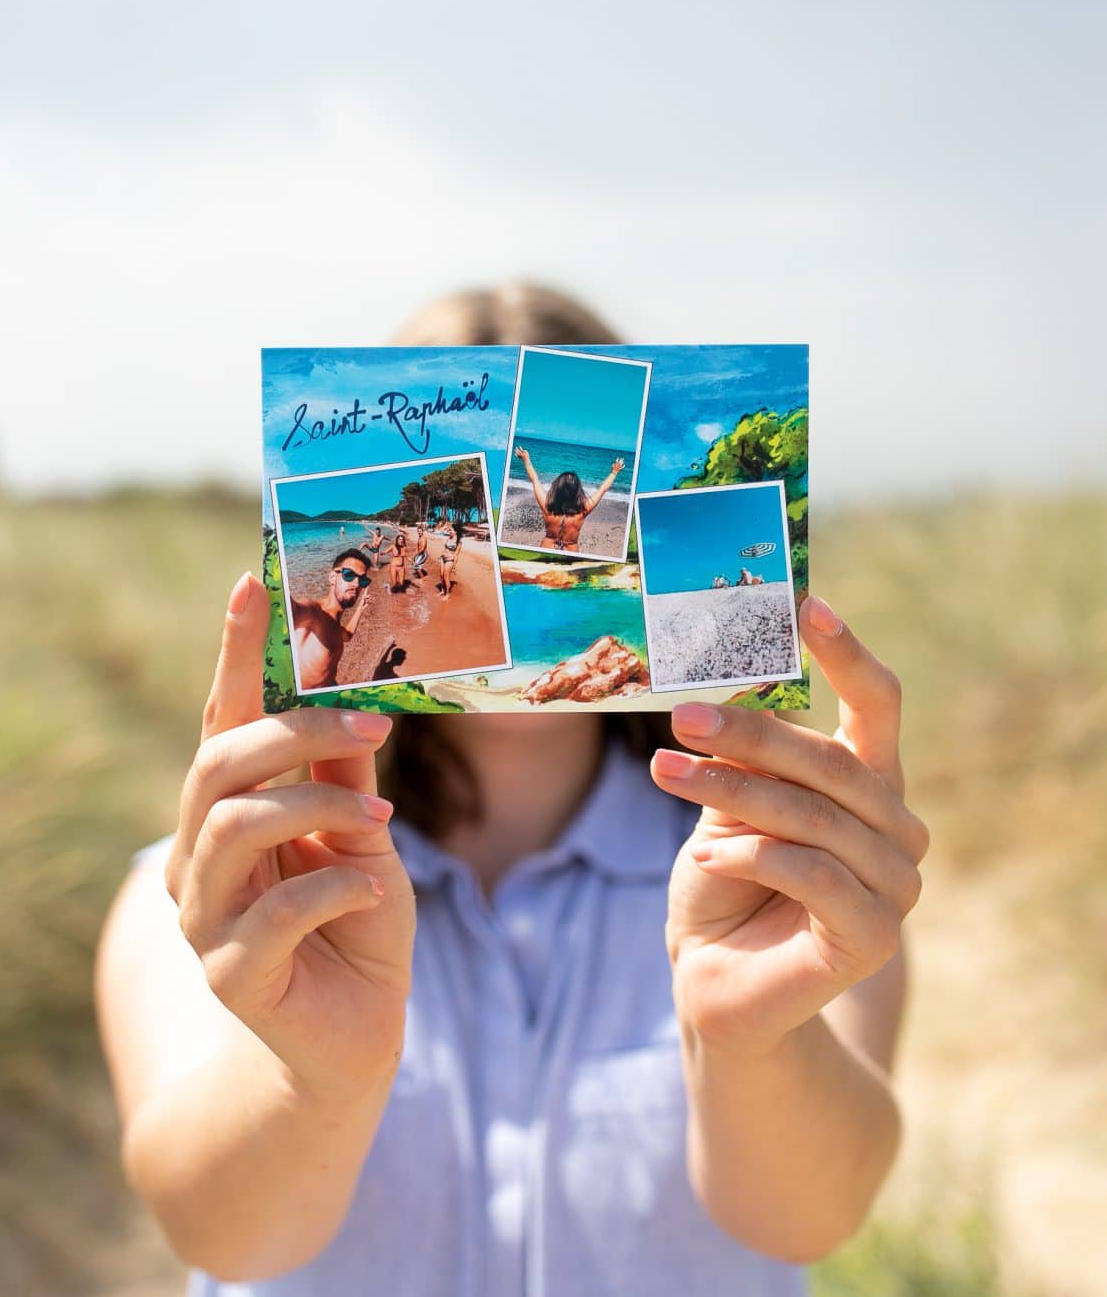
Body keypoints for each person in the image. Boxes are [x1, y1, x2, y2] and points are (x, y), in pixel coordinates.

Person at [97, 284, 923, 1297]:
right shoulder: (210, 894)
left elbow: (810, 1219)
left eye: (517, 500)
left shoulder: (786, 875)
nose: (512, 531)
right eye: (472, 503)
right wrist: (312, 1078)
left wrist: (744, 1044)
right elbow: (216, 1237)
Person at [287, 548, 373, 690]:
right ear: (332, 577)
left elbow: (347, 635)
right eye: (349, 575)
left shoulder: (334, 621)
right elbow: (290, 610)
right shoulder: (315, 613)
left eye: (362, 580)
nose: (357, 585)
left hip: (331, 685)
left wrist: (360, 608)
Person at [513, 446, 626, 553]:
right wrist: (614, 472)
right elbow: (602, 489)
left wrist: (526, 460)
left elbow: (535, 480)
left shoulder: (547, 506)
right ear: (577, 490)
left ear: (557, 487)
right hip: (571, 551)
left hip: (547, 547)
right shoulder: (583, 509)